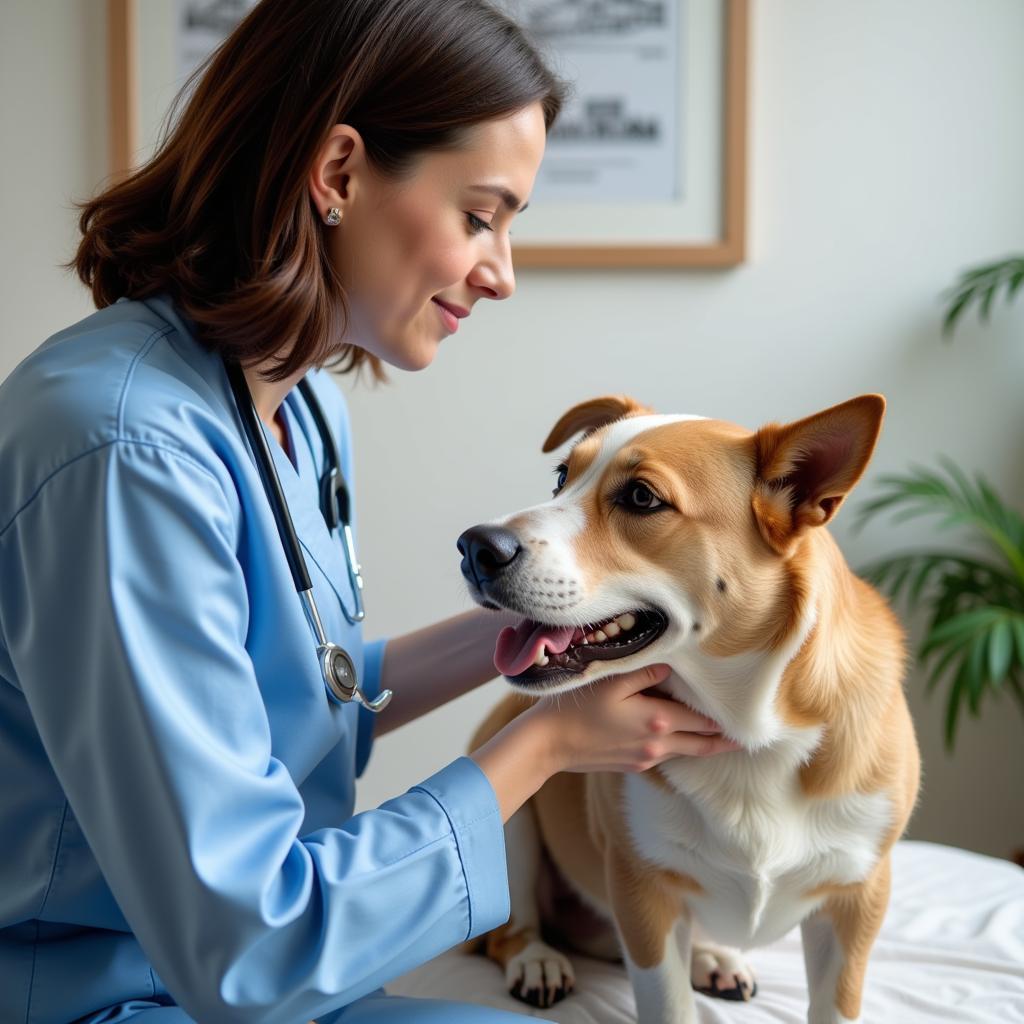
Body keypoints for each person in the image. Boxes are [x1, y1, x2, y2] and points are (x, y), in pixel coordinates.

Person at [0, 1, 739, 1021]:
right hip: (118, 989)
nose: (502, 272)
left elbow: (304, 694)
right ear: (340, 174)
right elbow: (248, 947)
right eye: (480, 215)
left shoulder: (301, 408)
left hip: (258, 970)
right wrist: (547, 740)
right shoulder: (123, 452)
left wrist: (540, 631)